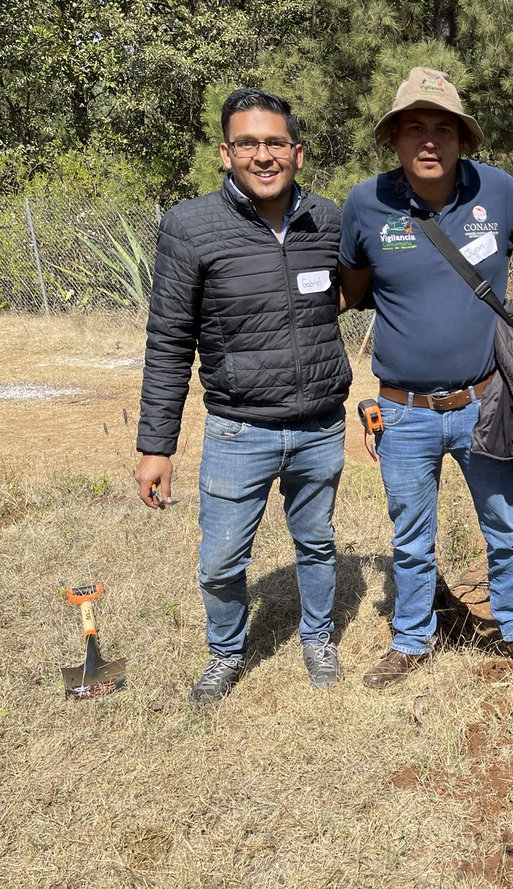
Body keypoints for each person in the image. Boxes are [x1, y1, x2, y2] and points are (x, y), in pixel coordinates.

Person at [337, 66, 513, 689]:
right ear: (394, 139)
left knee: (504, 527)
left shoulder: (496, 192)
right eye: (416, 128)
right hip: (403, 412)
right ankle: (411, 639)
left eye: (444, 129)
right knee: (412, 538)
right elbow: (352, 290)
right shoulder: (365, 204)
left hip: (485, 402)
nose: (430, 141)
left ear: (462, 140)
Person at [135, 88, 352, 704]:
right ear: (225, 154)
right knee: (222, 559)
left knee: (315, 541)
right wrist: (157, 445)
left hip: (320, 426)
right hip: (239, 429)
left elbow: (348, 293)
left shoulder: (327, 220)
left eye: (275, 143)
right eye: (248, 144)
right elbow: (169, 339)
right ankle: (227, 652)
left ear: (297, 153)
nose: (264, 155)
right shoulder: (191, 227)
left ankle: (317, 638)